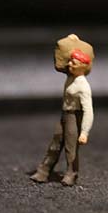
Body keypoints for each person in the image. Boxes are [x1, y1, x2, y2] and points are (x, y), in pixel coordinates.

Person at [30, 47, 94, 186]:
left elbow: (88, 110)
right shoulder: (71, 76)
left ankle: (72, 174)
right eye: (70, 61)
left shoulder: (83, 86)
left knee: (71, 147)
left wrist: (84, 132)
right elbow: (60, 63)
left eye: (74, 63)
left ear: (83, 66)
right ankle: (43, 171)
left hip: (74, 116)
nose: (69, 64)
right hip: (64, 114)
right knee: (55, 143)